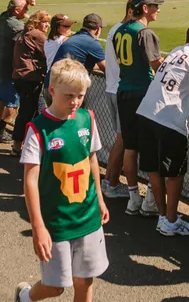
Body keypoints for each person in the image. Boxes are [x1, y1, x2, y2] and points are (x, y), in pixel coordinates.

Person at [16, 58, 111, 302]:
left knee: (84, 281)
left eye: (80, 95)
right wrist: (37, 226)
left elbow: (91, 160)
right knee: (56, 286)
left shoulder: (87, 118)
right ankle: (25, 297)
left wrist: (99, 199)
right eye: (68, 95)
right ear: (51, 90)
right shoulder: (38, 129)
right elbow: (30, 180)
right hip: (57, 222)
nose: (75, 102)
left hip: (87, 216)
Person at [139, 21, 189, 236]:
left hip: (146, 111)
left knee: (154, 169)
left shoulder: (175, 51)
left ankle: (164, 216)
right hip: (169, 119)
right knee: (175, 174)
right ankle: (170, 220)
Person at [110, 0, 165, 215]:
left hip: (125, 92)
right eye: (154, 6)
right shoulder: (144, 33)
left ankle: (134, 197)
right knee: (151, 148)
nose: (157, 10)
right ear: (144, 8)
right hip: (143, 94)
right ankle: (150, 199)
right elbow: (155, 65)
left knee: (130, 147)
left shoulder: (119, 30)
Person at [98, 4, 130, 199]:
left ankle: (110, 180)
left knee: (121, 139)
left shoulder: (114, 29)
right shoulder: (125, 31)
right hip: (121, 90)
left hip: (112, 88)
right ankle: (111, 183)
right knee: (122, 141)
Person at [0, 0, 33, 144]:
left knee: (1, 98)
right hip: (10, 68)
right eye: (25, 8)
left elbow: (13, 7)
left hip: (0, 65)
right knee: (12, 102)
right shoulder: (15, 25)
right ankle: (0, 131)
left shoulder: (4, 17)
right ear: (16, 11)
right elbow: (32, 28)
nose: (27, 10)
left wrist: (25, 0)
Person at [11, 11, 52, 151]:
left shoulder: (25, 34)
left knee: (30, 111)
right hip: (29, 78)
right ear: (37, 22)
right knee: (32, 112)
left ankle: (25, 144)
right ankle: (23, 145)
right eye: (44, 22)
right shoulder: (37, 35)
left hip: (20, 77)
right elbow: (49, 52)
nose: (47, 25)